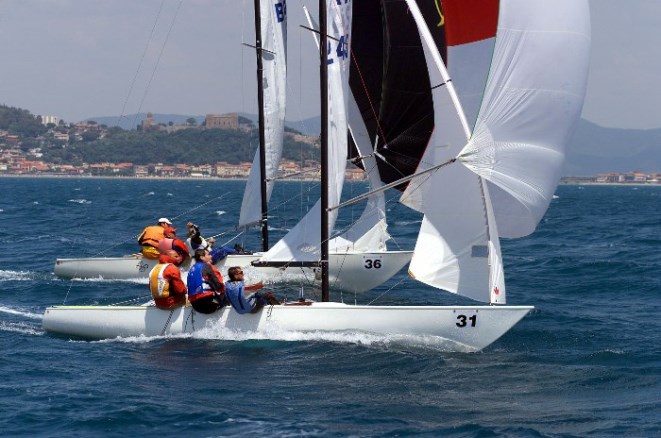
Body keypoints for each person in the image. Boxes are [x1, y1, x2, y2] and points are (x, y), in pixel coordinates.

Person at [186, 248, 228, 314]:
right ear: (202, 257)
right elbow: (219, 286)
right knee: (227, 293)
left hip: (195, 305)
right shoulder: (208, 267)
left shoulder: (192, 268)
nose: (210, 256)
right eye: (208, 255)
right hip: (207, 305)